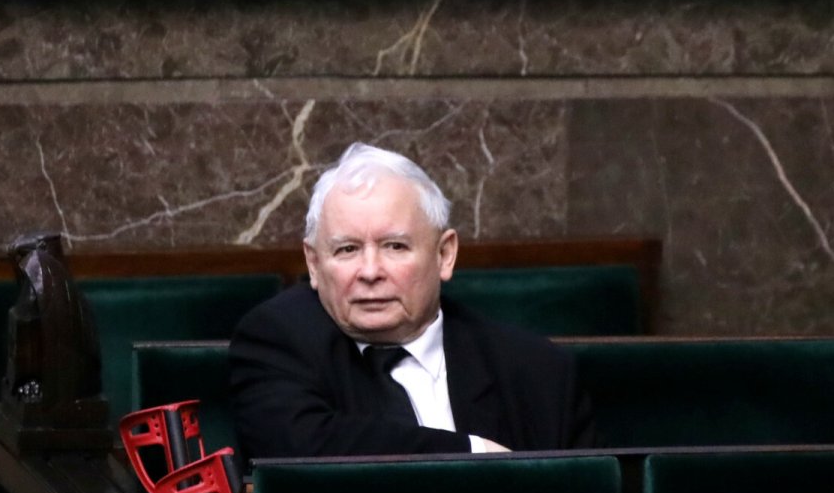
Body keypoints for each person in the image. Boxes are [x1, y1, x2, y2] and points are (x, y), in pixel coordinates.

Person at [230, 142, 594, 458]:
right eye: (347, 249)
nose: (370, 271)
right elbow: (304, 450)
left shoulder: (537, 372)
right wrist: (474, 454)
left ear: (444, 254)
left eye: (395, 246)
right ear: (313, 263)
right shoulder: (275, 341)